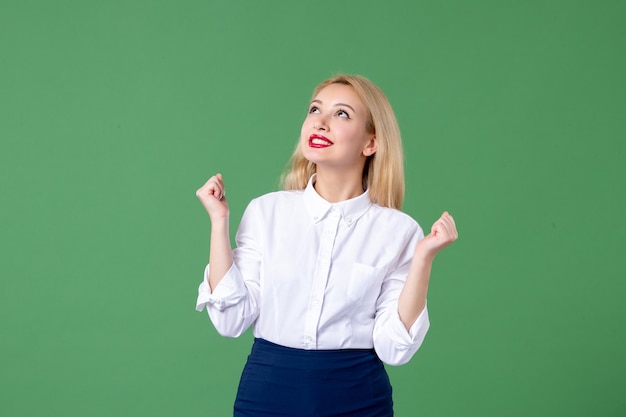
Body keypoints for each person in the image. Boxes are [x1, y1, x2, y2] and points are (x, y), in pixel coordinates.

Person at [195, 74, 458, 417]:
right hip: (268, 393)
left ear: (371, 143)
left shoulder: (399, 231)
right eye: (315, 109)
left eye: (342, 114)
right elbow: (229, 321)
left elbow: (395, 349)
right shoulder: (266, 212)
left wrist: (423, 259)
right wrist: (219, 223)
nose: (320, 122)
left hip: (358, 397)